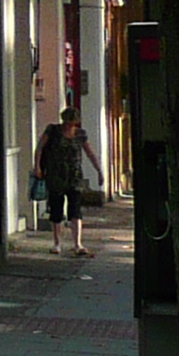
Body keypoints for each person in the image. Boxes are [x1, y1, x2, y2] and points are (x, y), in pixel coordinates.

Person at [36, 103, 103, 256]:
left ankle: (77, 243)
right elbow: (40, 148)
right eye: (67, 123)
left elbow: (90, 153)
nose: (69, 126)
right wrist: (37, 167)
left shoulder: (80, 134)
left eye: (72, 123)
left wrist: (99, 170)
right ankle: (57, 243)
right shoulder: (52, 130)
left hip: (74, 176)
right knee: (56, 210)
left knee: (75, 210)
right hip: (55, 176)